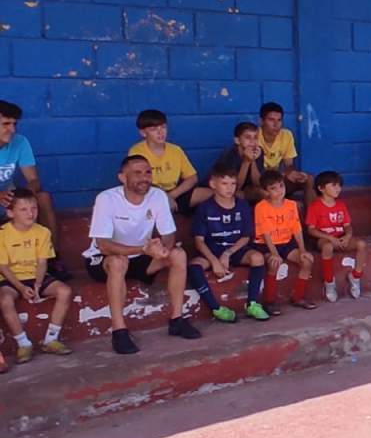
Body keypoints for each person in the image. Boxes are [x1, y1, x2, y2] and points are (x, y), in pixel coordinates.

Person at [83, 155, 202, 355]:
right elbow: (104, 246)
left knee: (178, 255)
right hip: (103, 259)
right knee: (118, 262)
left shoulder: (158, 196)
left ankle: (177, 320)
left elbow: (168, 234)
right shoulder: (106, 198)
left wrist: (164, 249)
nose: (144, 177)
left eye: (148, 172)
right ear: (123, 178)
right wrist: (143, 250)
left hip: (141, 256)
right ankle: (119, 331)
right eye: (137, 173)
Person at [0, 189, 73, 373]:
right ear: (10, 213)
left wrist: (38, 285)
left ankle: (51, 339)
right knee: (5, 300)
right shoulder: (2, 233)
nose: (30, 213)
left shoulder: (43, 232)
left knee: (64, 291)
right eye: (23, 209)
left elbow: (42, 263)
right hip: (11, 278)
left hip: (36, 276)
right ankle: (23, 343)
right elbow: (3, 267)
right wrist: (20, 288)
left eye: (34, 208)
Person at [189, 166, 270, 322]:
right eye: (224, 183)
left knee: (257, 258)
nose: (229, 188)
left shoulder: (242, 206)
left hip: (235, 249)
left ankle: (252, 304)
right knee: (194, 266)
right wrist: (214, 261)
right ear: (213, 184)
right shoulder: (204, 208)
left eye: (233, 184)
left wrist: (228, 253)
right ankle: (216, 309)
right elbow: (199, 242)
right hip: (211, 251)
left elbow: (246, 237)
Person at [0, 100, 69, 280]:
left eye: (14, 124)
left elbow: (33, 179)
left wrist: (24, 197)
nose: (12, 129)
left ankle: (53, 259)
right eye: (6, 124)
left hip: (9, 200)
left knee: (43, 198)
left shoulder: (20, 142)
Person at [254, 171, 317, 313]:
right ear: (266, 192)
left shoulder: (291, 205)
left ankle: (298, 297)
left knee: (307, 261)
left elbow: (296, 228)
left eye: (281, 186)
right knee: (274, 263)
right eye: (273, 188)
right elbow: (265, 233)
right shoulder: (261, 207)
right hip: (266, 245)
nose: (279, 191)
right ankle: (269, 301)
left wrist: (302, 250)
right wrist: (274, 253)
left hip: (286, 243)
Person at [128, 109, 212, 213]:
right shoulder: (136, 151)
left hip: (174, 192)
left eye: (163, 127)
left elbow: (192, 177)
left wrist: (171, 195)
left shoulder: (175, 150)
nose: (160, 132)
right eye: (153, 129)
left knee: (214, 194)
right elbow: (137, 180)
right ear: (143, 133)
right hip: (148, 193)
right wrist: (163, 197)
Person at [306, 171, 367, 303]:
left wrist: (348, 235)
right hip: (324, 239)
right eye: (333, 185)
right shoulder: (315, 206)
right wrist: (330, 238)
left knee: (361, 244)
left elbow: (347, 225)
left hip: (340, 237)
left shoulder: (341, 205)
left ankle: (356, 276)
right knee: (327, 247)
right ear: (321, 188)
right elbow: (311, 230)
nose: (338, 188)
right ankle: (329, 282)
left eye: (339, 185)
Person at [258, 102, 315, 205]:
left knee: (308, 179)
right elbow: (258, 175)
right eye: (271, 120)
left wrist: (292, 174)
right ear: (261, 121)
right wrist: (284, 174)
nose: (276, 124)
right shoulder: (254, 136)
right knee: (261, 191)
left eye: (279, 120)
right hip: (260, 183)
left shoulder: (286, 135)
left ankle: (312, 215)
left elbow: (289, 165)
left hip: (277, 180)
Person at [215, 121, 267, 203]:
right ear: (237, 140)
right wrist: (246, 162)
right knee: (237, 195)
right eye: (248, 137)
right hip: (228, 189)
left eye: (255, 137)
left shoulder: (258, 151)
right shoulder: (229, 154)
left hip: (248, 188)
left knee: (266, 193)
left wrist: (252, 160)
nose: (253, 141)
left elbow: (258, 183)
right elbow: (233, 187)